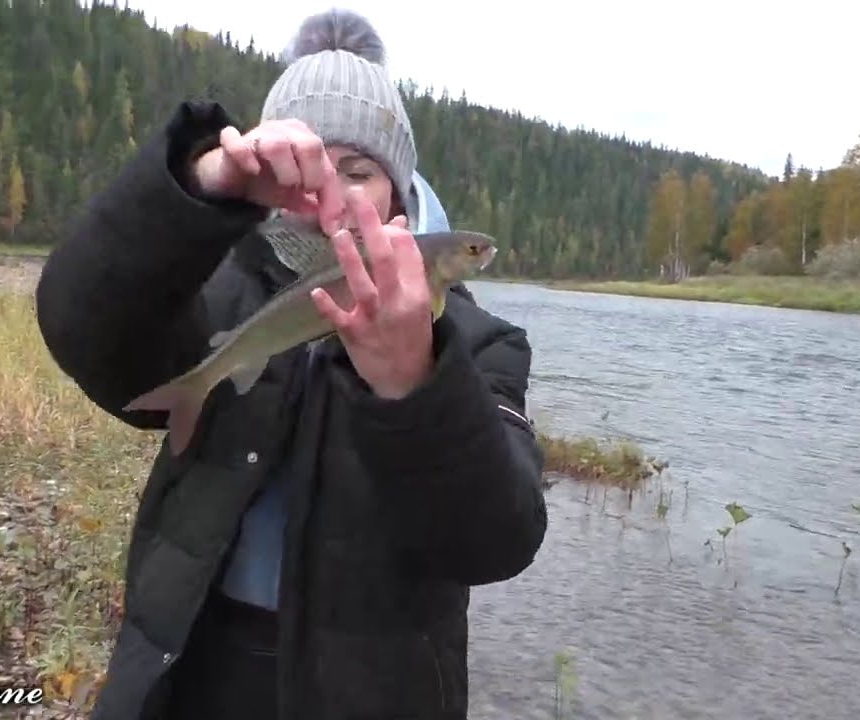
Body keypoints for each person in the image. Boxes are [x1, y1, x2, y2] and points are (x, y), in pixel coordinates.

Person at [34, 7, 547, 720]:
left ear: (399, 193)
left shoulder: (482, 344)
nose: (329, 200)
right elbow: (81, 322)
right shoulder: (222, 292)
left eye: (358, 172)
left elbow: (500, 539)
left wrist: (415, 383)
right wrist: (200, 183)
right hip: (194, 672)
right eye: (303, 175)